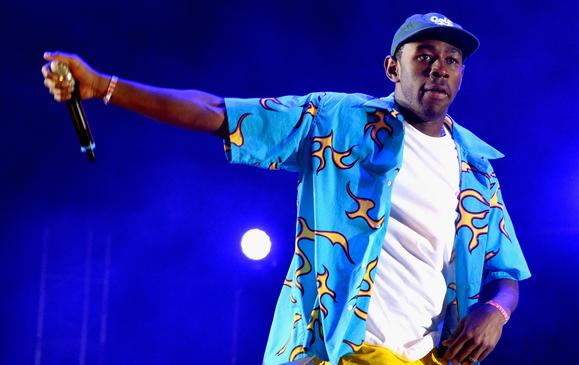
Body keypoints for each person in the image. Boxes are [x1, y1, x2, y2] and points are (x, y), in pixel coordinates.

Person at [42, 12, 530, 365]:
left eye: (451, 59)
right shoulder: (338, 119)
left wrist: (494, 310)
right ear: (392, 68)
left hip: (428, 357)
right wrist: (102, 86)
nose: (439, 67)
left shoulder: (478, 168)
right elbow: (218, 111)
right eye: (423, 56)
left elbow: (505, 273)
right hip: (340, 351)